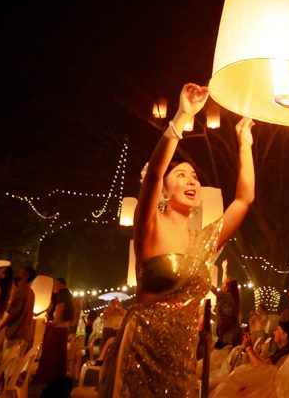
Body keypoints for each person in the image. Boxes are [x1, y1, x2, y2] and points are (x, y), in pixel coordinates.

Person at [98, 82, 257, 397]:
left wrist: (244, 142)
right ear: (165, 192)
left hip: (181, 355)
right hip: (140, 346)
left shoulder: (203, 241)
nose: (191, 179)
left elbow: (244, 199)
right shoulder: (149, 227)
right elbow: (155, 173)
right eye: (181, 175)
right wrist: (182, 118)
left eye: (194, 177)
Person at [35, 277, 75, 385]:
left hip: (56, 331)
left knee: (51, 355)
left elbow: (56, 321)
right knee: (59, 355)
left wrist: (47, 323)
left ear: (62, 285)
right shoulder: (66, 300)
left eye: (57, 284)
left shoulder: (61, 302)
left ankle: (49, 378)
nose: (54, 287)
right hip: (63, 332)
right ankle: (57, 377)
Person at [0, 265, 37, 354]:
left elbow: (13, 314)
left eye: (21, 272)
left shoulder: (20, 291)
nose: (18, 273)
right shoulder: (31, 292)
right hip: (25, 334)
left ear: (26, 275)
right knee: (16, 364)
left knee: (8, 364)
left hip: (16, 333)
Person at [213, 278, 242, 348]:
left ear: (228, 286)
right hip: (230, 331)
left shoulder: (227, 296)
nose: (222, 285)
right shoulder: (233, 298)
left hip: (228, 334)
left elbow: (214, 290)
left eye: (224, 283)